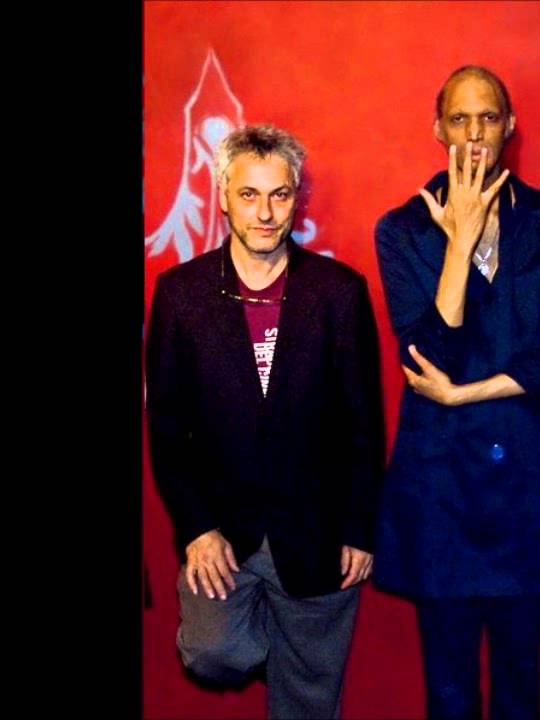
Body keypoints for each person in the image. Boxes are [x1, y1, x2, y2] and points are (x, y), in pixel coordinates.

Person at [373, 65, 540, 720]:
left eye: (488, 117)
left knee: (519, 687)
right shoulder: (402, 229)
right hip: (440, 491)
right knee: (447, 692)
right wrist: (461, 242)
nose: (474, 134)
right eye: (460, 119)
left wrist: (465, 394)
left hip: (529, 486)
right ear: (438, 129)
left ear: (510, 126)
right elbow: (426, 357)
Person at [145, 123, 385, 719]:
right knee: (212, 652)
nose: (266, 212)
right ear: (224, 196)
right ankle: (282, 646)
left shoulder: (338, 292)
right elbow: (167, 429)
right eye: (249, 194)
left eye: (279, 194)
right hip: (224, 534)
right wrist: (198, 528)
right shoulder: (180, 294)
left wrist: (358, 528)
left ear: (296, 197)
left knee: (309, 698)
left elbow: (363, 424)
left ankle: (297, 658)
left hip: (318, 532)